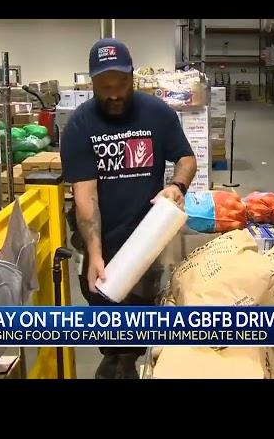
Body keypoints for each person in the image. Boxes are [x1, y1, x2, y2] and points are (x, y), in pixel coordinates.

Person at [60, 38, 197, 379]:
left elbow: (186, 158)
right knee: (104, 316)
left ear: (132, 77)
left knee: (141, 315)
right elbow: (86, 198)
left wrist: (176, 186)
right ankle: (114, 357)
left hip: (145, 238)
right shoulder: (80, 126)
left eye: (121, 84)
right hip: (102, 238)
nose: (114, 94)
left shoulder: (157, 113)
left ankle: (130, 359)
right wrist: (94, 253)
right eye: (104, 87)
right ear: (91, 83)